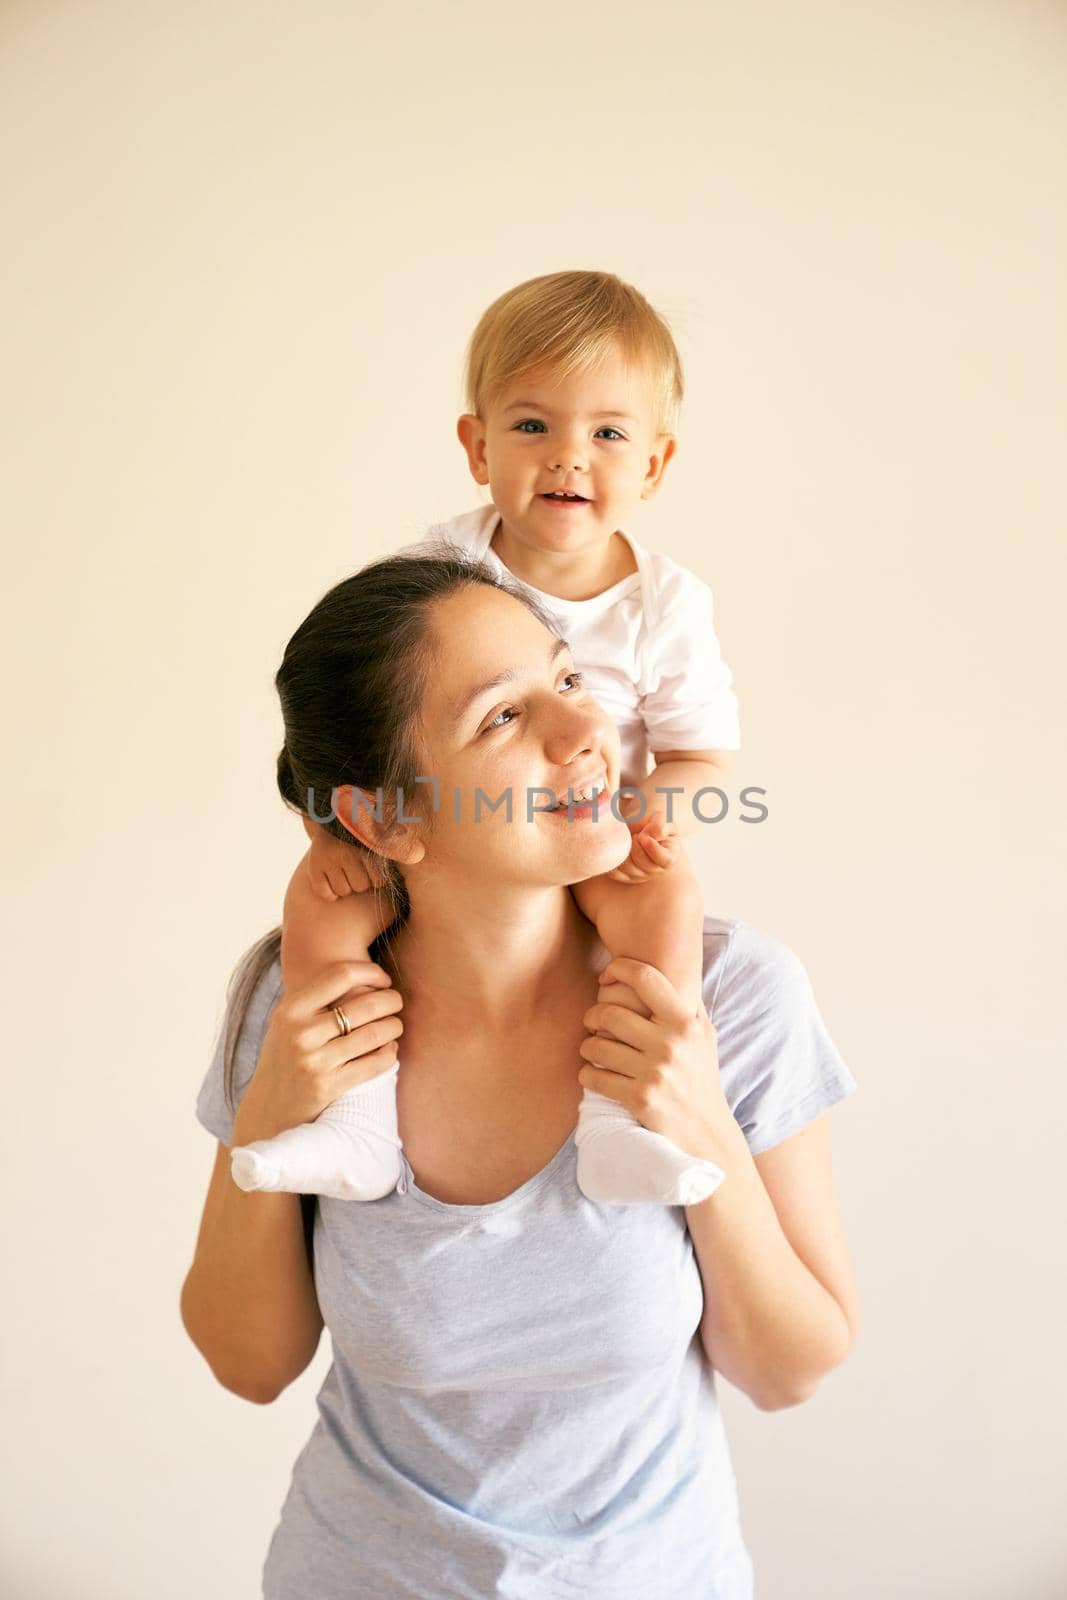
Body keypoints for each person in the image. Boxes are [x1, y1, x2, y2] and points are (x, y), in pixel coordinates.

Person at [180, 550, 860, 1600]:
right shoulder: (294, 999)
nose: (584, 731)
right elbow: (248, 1361)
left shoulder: (734, 994)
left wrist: (698, 1122)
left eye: (568, 679)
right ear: (382, 819)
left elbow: (789, 1369)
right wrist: (277, 1099)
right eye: (502, 717)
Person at [231, 268, 746, 1206]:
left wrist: (644, 818)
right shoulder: (440, 570)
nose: (567, 457)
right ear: (475, 446)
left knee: (663, 904)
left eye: (608, 433)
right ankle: (354, 1119)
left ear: (655, 466)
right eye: (530, 425)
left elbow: (701, 751)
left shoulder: (664, 605)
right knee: (324, 901)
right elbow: (355, 712)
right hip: (450, 837)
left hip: (595, 827)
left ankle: (620, 1120)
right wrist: (334, 831)